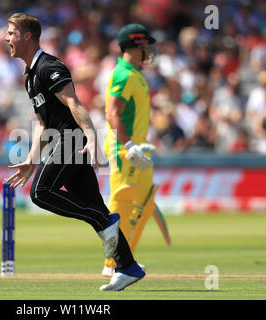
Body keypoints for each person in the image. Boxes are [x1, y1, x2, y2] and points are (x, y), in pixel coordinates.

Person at [5, 13, 147, 291]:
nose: (6, 38)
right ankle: (128, 266)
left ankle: (104, 223)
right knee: (93, 204)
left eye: (11, 33)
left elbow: (74, 103)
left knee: (40, 193)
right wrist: (31, 161)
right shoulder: (31, 76)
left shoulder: (49, 66)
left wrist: (91, 136)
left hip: (72, 140)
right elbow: (43, 124)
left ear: (27, 36)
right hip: (62, 142)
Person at [102, 24, 158, 277]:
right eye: (146, 45)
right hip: (124, 147)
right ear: (135, 45)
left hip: (137, 146)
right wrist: (129, 145)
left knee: (145, 203)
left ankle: (126, 261)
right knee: (122, 201)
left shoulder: (135, 74)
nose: (149, 50)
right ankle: (113, 263)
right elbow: (112, 114)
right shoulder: (123, 73)